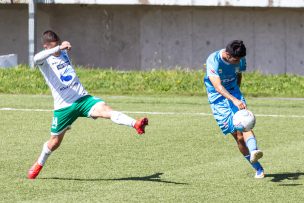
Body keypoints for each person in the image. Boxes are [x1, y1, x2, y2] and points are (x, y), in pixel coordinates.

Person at [27, 30, 148, 179]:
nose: (58, 48)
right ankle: (39, 164)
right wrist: (57, 48)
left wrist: (61, 48)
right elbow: (35, 58)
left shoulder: (64, 54)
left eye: (58, 44)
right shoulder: (44, 62)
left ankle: (135, 124)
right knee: (54, 143)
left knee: (106, 110)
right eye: (53, 46)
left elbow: (61, 53)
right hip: (63, 107)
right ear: (46, 47)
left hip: (82, 98)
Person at [204, 40, 264, 178]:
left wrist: (238, 94)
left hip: (234, 94)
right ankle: (258, 168)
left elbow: (239, 75)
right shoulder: (213, 60)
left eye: (240, 59)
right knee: (238, 137)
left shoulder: (240, 60)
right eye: (235, 59)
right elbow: (218, 87)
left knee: (245, 124)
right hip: (217, 99)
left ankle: (254, 150)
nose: (238, 62)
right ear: (227, 54)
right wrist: (234, 100)